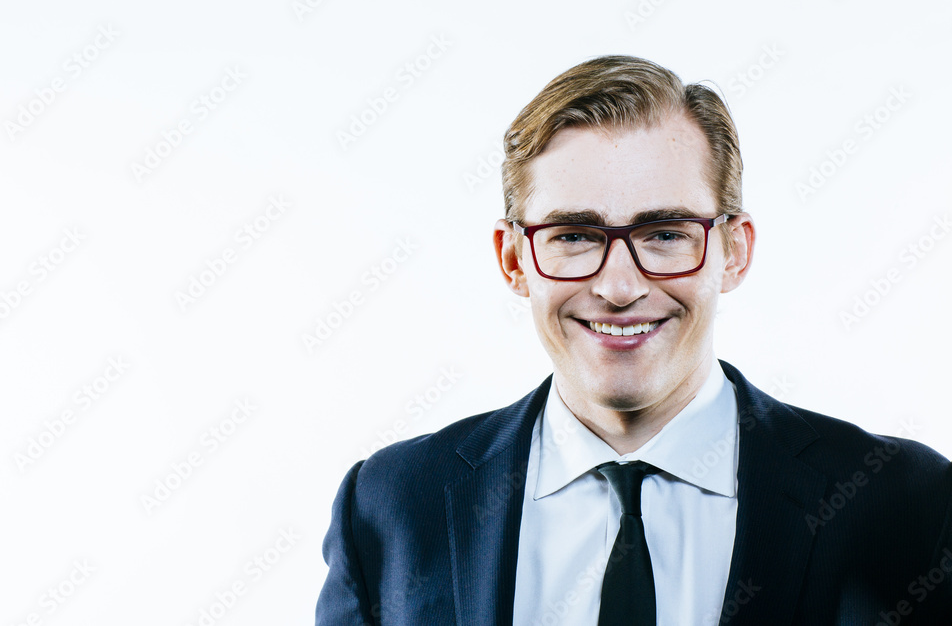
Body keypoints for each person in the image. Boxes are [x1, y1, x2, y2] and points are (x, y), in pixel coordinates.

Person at [315, 55, 952, 625]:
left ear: (733, 251)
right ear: (513, 259)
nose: (619, 287)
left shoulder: (903, 502)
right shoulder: (393, 504)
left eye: (665, 234)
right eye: (573, 236)